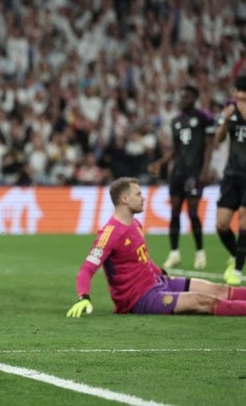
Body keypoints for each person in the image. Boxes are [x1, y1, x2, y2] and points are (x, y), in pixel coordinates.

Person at [66, 177, 246, 318]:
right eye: (138, 194)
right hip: (139, 298)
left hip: (157, 281)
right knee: (202, 301)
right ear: (125, 199)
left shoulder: (135, 223)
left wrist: (162, 273)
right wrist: (84, 297)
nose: (143, 198)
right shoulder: (110, 233)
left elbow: (141, 259)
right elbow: (86, 269)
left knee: (218, 289)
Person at [147, 85, 215, 271]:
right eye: (181, 97)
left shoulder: (205, 118)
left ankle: (200, 251)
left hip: (195, 171)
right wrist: (161, 163)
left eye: (185, 97)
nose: (181, 100)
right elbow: (175, 149)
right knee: (175, 211)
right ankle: (174, 253)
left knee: (193, 211)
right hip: (178, 172)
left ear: (194, 98)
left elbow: (209, 146)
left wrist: (205, 170)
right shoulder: (176, 121)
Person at [215, 75, 246, 286]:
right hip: (232, 175)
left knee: (244, 216)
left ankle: (237, 270)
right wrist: (225, 120)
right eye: (237, 91)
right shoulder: (229, 111)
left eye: (242, 91)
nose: (238, 95)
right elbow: (219, 138)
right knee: (222, 224)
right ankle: (237, 255)